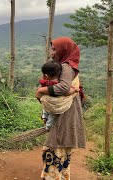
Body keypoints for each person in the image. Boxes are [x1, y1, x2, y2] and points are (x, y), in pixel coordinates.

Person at [35, 37, 86, 179]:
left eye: (54, 49)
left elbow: (63, 87)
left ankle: (53, 176)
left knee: (55, 144)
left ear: (64, 49)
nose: (52, 53)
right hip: (65, 109)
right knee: (59, 144)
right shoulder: (65, 65)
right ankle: (60, 175)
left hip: (66, 111)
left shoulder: (66, 67)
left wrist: (41, 91)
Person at [39, 60, 79, 131]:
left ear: (46, 76)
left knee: (45, 107)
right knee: (52, 116)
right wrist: (74, 90)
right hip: (55, 105)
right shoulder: (60, 84)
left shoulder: (45, 82)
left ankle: (44, 116)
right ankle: (48, 128)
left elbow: (40, 90)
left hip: (47, 103)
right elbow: (67, 92)